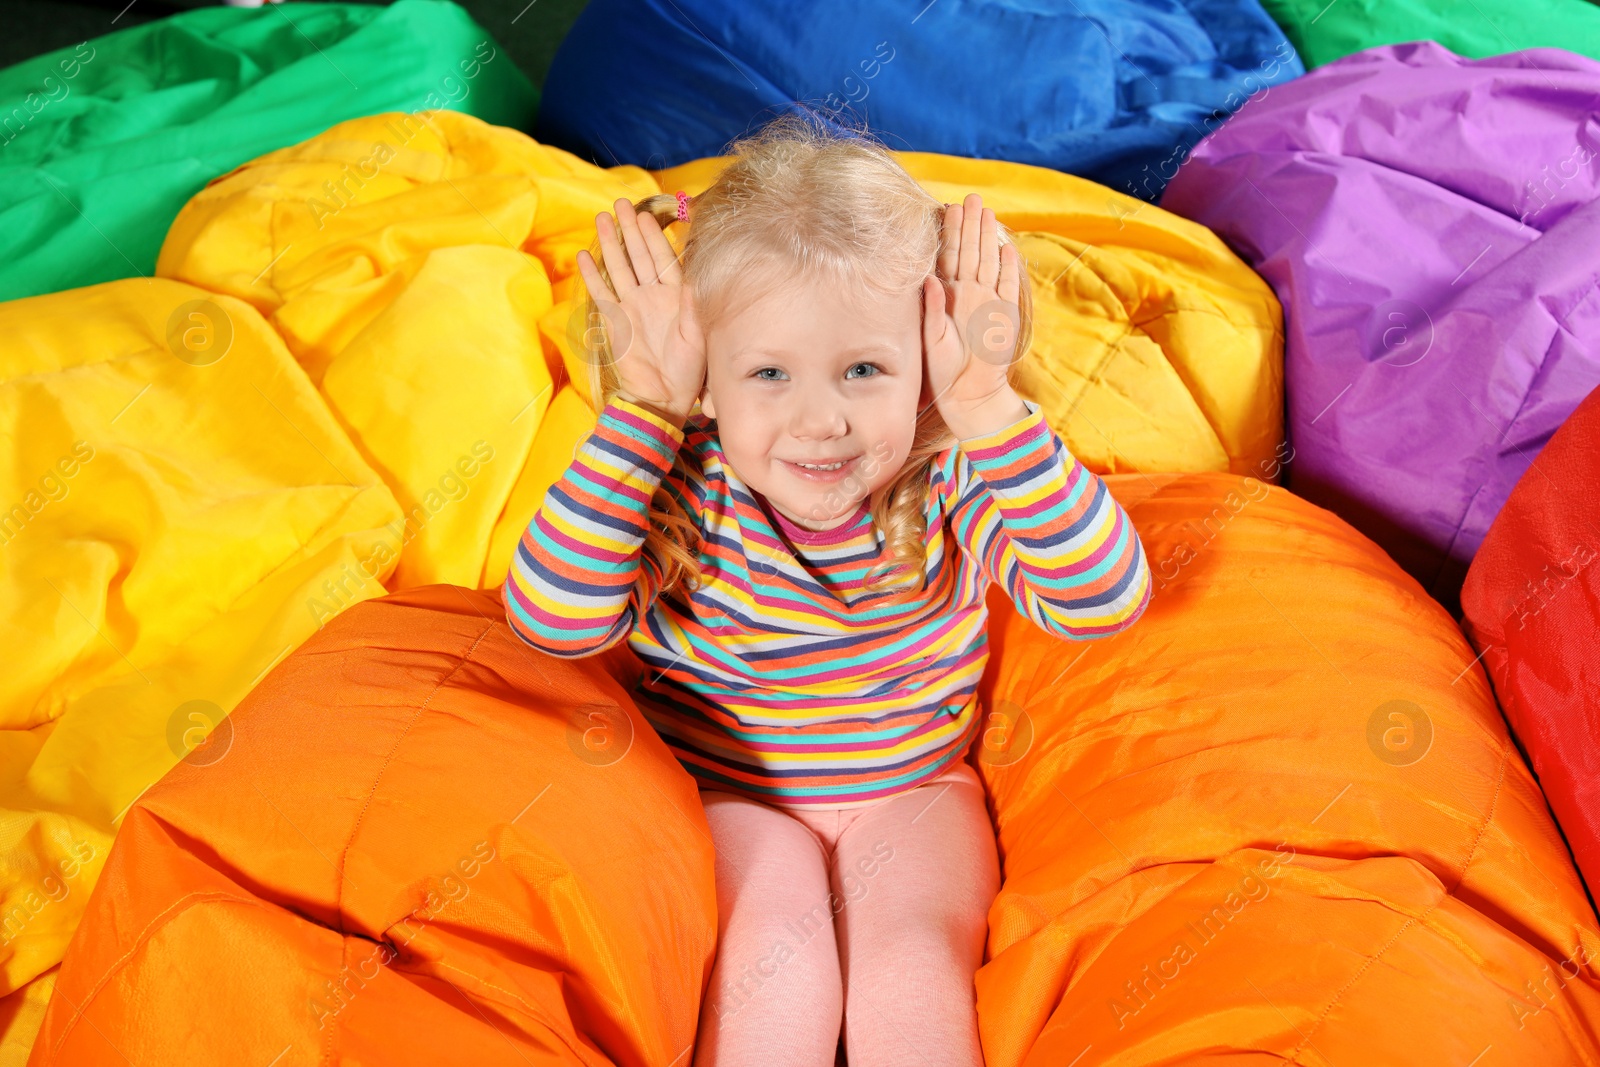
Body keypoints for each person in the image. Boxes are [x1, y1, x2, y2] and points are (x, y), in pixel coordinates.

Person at [503, 112, 1152, 1067]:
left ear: (923, 365)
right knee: (770, 969)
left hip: (916, 791)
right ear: (708, 379)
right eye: (769, 371)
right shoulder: (679, 478)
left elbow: (1106, 597)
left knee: (910, 976)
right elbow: (549, 620)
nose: (822, 420)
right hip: (728, 795)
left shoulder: (946, 475)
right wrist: (645, 407)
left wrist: (985, 406)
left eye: (864, 369)